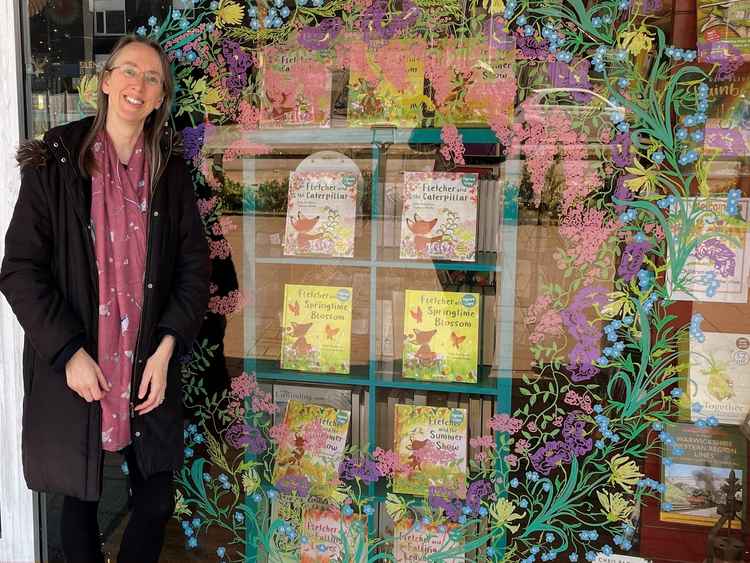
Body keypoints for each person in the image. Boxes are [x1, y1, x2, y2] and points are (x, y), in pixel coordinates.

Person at [0, 35, 210, 563]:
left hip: (145, 362)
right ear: (106, 81)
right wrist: (67, 353)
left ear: (162, 97)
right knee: (79, 502)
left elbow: (193, 267)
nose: (138, 85)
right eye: (128, 72)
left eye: (152, 78)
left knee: (155, 499)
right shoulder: (56, 163)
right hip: (81, 363)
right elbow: (20, 270)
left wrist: (166, 349)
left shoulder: (171, 173)